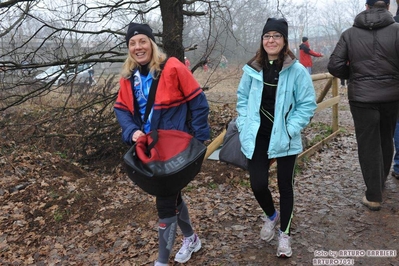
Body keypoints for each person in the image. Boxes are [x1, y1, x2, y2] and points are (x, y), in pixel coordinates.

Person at [114, 22, 210, 265]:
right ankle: (191, 238)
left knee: (165, 200)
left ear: (152, 43)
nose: (138, 47)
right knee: (172, 196)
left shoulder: (173, 67)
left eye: (142, 41)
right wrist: (132, 131)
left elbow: (199, 103)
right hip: (149, 149)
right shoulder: (128, 77)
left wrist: (197, 142)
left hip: (176, 148)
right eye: (132, 43)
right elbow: (122, 110)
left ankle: (161, 261)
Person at [236, 18, 317, 258]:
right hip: (259, 135)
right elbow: (241, 100)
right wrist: (243, 124)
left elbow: (307, 105)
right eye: (267, 36)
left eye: (276, 36)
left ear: (284, 41)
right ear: (262, 41)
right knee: (257, 184)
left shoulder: (296, 70)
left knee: (285, 187)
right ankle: (272, 216)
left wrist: (291, 128)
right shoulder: (252, 68)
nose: (271, 40)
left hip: (285, 137)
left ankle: (285, 234)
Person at [328, 0, 399, 211]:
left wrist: (355, 76)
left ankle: (373, 194)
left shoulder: (349, 34)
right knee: (386, 139)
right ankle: (380, 182)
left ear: (366, 7)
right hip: (392, 96)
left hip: (361, 98)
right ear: (388, 7)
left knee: (368, 144)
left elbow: (334, 65)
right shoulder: (397, 31)